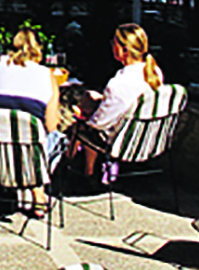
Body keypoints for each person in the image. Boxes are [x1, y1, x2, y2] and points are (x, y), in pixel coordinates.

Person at [62, 23, 162, 183]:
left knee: (80, 127)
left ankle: (75, 171)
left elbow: (99, 124)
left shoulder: (119, 83)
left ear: (124, 50)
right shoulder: (154, 74)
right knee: (91, 98)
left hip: (120, 142)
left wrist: (84, 116)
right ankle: (85, 171)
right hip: (148, 139)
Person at [0, 28, 64, 217]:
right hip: (30, 154)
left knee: (13, 130)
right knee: (52, 137)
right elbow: (51, 125)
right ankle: (38, 193)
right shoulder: (46, 75)